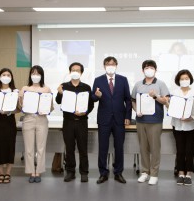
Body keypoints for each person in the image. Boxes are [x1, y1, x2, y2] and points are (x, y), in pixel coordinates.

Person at [92, 56, 132, 184]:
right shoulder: (98, 80)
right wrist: (96, 96)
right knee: (102, 147)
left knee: (119, 147)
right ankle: (103, 173)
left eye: (113, 64)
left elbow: (128, 99)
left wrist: (127, 116)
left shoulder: (123, 80)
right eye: (108, 64)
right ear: (104, 66)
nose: (111, 66)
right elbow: (93, 98)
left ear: (116, 66)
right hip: (104, 119)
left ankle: (118, 172)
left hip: (120, 119)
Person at [131, 60, 169, 185]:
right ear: (143, 70)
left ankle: (154, 174)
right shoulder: (138, 84)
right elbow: (133, 100)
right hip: (141, 121)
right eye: (147, 68)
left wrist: (155, 96)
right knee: (143, 148)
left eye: (151, 67)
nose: (149, 70)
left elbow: (166, 101)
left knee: (155, 148)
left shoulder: (160, 84)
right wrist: (137, 110)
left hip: (155, 121)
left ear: (155, 70)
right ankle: (145, 172)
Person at [55, 62, 94, 183]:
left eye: (78, 70)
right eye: (73, 70)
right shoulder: (64, 86)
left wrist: (84, 113)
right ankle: (70, 172)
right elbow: (57, 101)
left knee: (83, 148)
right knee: (70, 148)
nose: (75, 72)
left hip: (82, 121)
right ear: (70, 72)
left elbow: (91, 105)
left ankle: (84, 172)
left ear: (81, 73)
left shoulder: (86, 87)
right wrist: (60, 93)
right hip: (68, 122)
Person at [19, 65, 53, 183]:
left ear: (42, 75)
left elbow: (51, 107)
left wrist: (46, 108)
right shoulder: (24, 88)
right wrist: (20, 99)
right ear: (30, 75)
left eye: (38, 74)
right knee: (29, 148)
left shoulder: (47, 89)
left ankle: (38, 171)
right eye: (33, 73)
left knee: (41, 147)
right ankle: (31, 171)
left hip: (42, 119)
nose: (35, 76)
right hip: (28, 118)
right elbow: (19, 106)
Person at [168, 69, 194, 186]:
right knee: (180, 150)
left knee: (190, 150)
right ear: (178, 80)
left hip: (191, 125)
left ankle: (189, 174)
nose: (184, 80)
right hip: (177, 125)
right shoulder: (174, 92)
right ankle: (181, 173)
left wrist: (191, 117)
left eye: (186, 78)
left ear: (190, 79)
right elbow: (171, 108)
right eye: (182, 79)